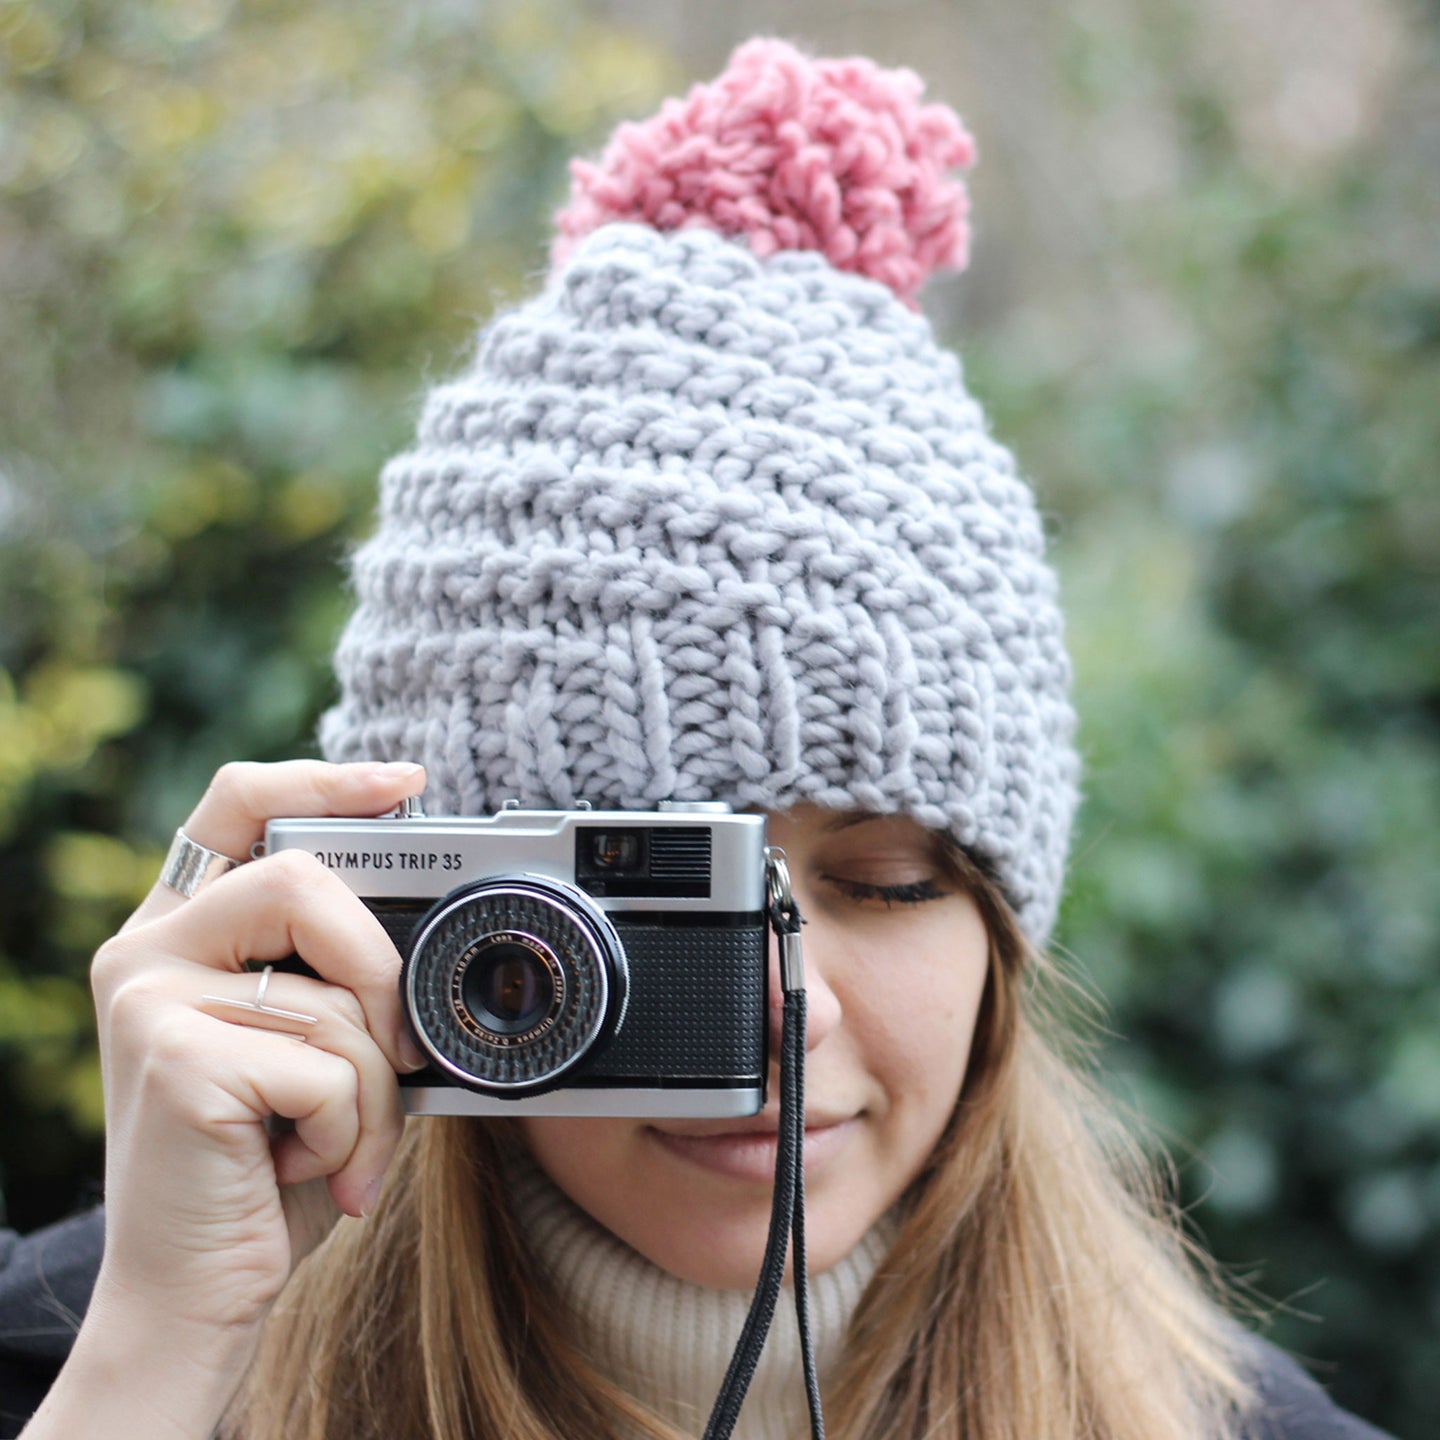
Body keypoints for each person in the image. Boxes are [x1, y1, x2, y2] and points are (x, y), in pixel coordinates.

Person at [2, 38, 1394, 1440]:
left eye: (892, 879)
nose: (787, 1002)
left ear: (1002, 937)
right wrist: (155, 1359)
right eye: (655, 883)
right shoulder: (98, 1364)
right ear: (421, 916)